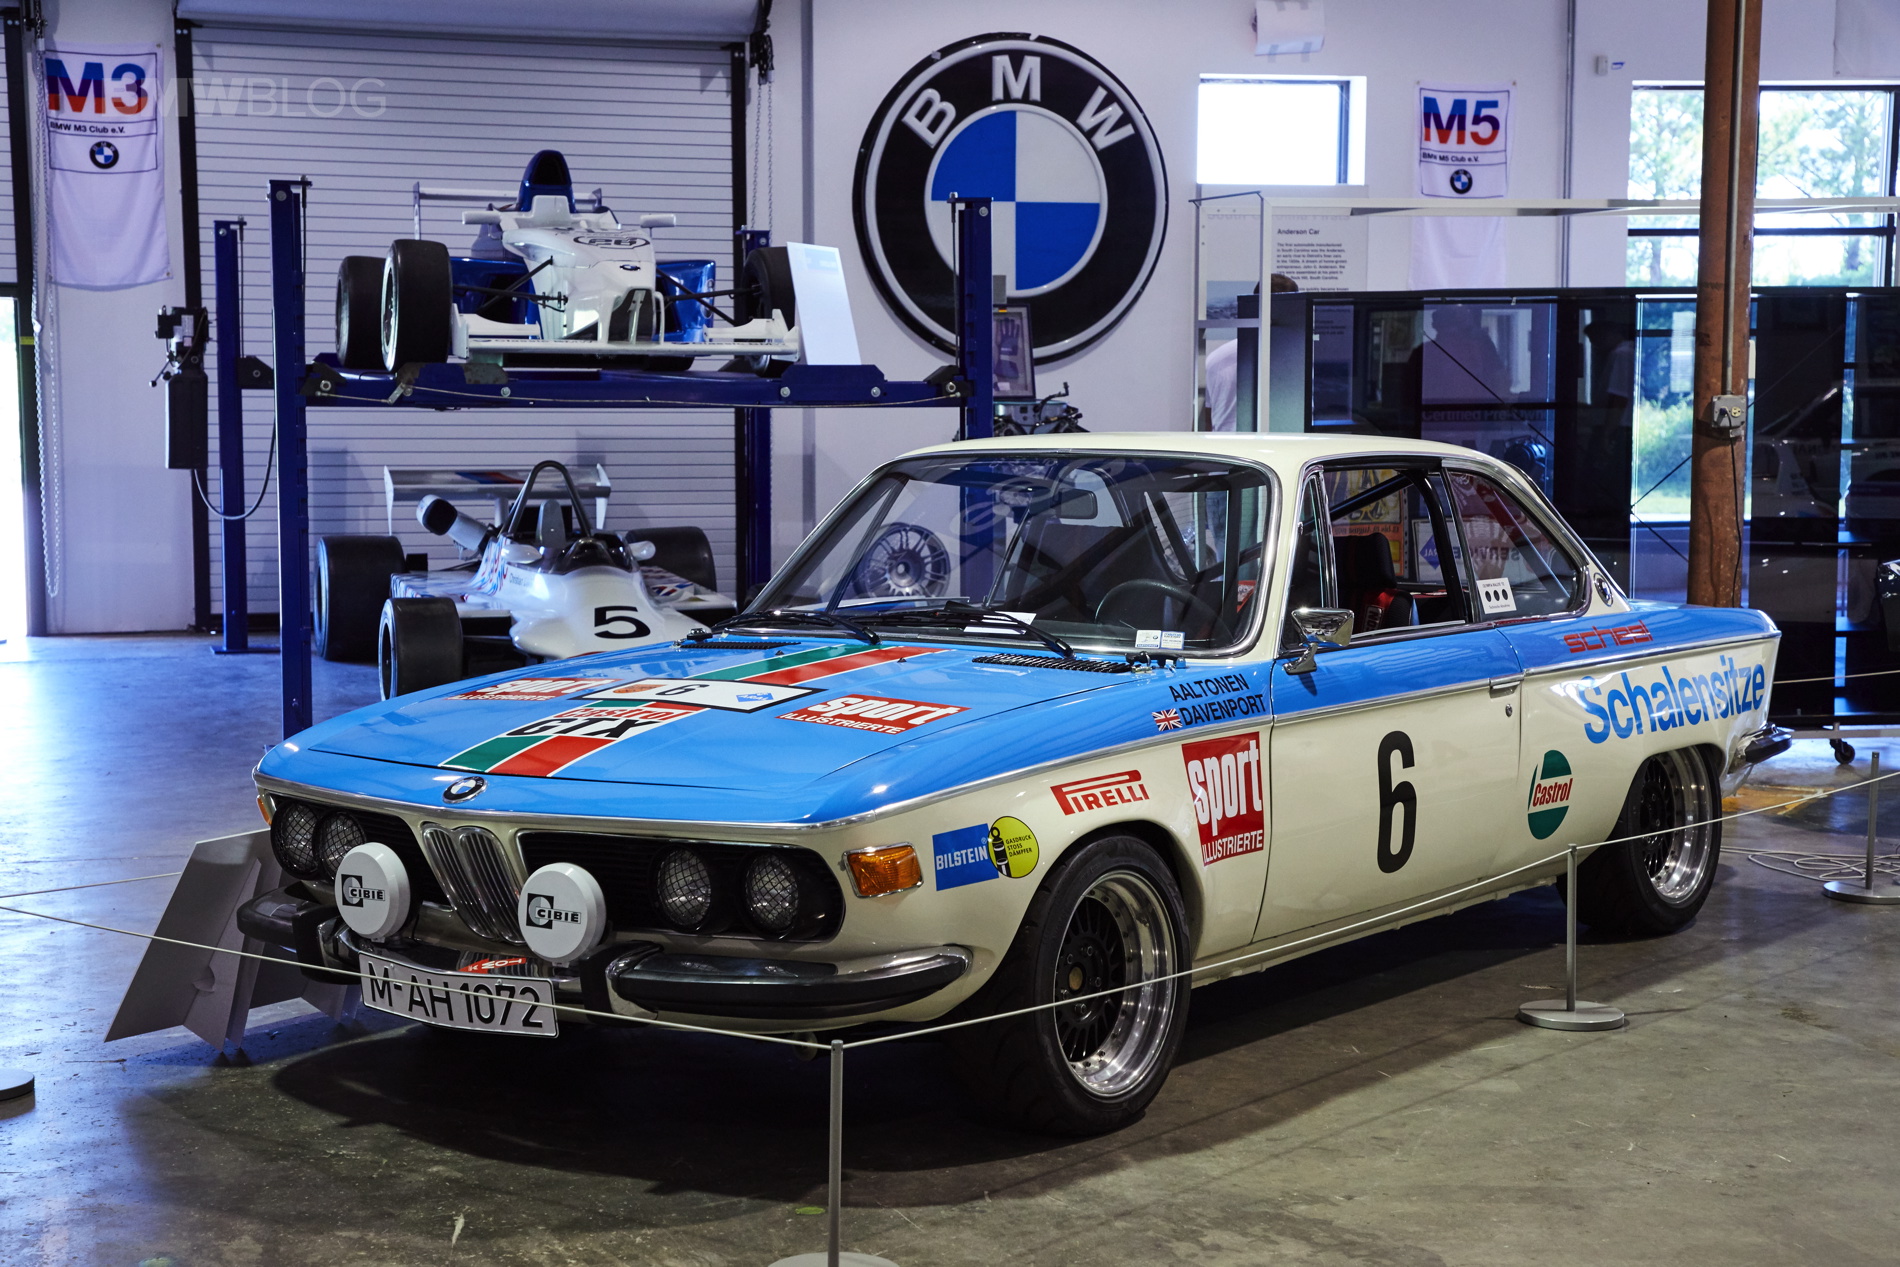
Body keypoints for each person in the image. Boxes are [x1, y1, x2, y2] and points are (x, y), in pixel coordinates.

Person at [1203, 274, 1299, 431]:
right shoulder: (1297, 359)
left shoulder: (1216, 358)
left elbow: (1207, 420)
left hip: (1225, 444)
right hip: (1276, 444)